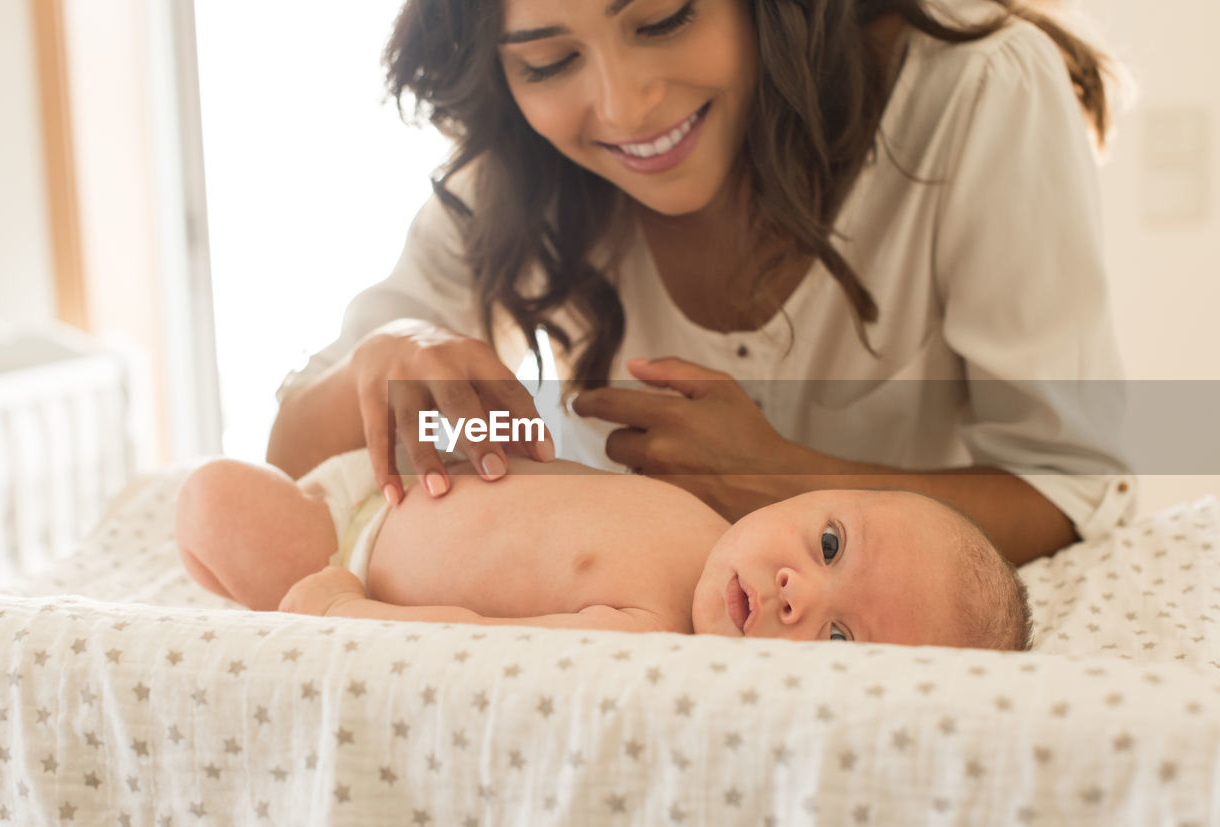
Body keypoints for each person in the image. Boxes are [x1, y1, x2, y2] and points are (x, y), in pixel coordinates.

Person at [265, 0, 1136, 571]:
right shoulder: (519, 174)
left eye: (662, 17)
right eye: (547, 62)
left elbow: (1072, 484)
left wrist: (789, 480)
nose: (627, 105)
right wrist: (386, 360)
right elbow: (289, 460)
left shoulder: (979, 91)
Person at [175, 449, 1031, 649]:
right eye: (830, 543)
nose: (796, 590)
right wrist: (466, 435)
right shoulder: (702, 518)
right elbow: (565, 475)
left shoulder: (648, 632)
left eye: (838, 640)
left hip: (345, 557)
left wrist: (345, 610)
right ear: (803, 497)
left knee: (211, 501)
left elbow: (479, 637)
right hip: (397, 476)